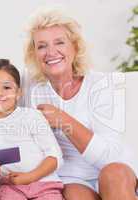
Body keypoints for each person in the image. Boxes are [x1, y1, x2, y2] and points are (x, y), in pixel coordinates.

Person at [22, 7, 138, 200]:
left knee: (113, 175)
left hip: (113, 167)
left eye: (59, 42)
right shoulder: (30, 86)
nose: (51, 52)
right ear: (34, 53)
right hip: (71, 177)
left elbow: (110, 156)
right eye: (41, 46)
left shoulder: (102, 85)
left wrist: (63, 120)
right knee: (75, 194)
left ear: (75, 47)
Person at [0, 58, 64, 200]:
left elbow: (55, 157)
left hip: (44, 184)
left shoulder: (31, 116)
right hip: (8, 188)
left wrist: (29, 177)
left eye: (7, 87)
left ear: (19, 93)